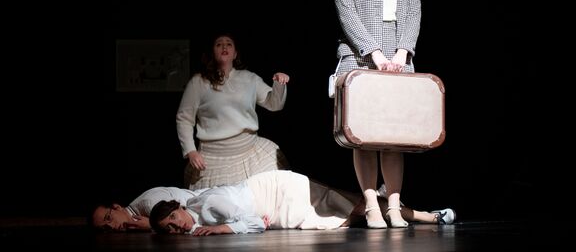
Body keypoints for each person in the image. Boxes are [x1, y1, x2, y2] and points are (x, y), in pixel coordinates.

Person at [333, 0, 423, 228]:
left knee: (393, 137)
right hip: (360, 59)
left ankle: (394, 206)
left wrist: (401, 54)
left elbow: (412, 14)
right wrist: (373, 52)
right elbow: (347, 15)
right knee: (365, 136)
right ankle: (372, 204)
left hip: (398, 62)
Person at [149, 170, 455, 235]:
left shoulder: (210, 206)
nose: (178, 228)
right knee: (351, 208)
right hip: (278, 202)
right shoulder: (196, 213)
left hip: (282, 195)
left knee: (346, 209)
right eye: (171, 229)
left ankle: (427, 215)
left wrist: (222, 229)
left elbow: (255, 223)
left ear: (178, 209)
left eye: (174, 220)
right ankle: (430, 216)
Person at [176, 32, 291, 190]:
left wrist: (279, 84)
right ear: (212, 52)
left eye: (229, 44)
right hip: (214, 160)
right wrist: (191, 151)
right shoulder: (198, 82)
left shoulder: (249, 78)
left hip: (250, 153)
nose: (224, 46)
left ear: (235, 53)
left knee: (268, 197)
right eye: (219, 44)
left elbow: (274, 104)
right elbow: (184, 118)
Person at [90, 186, 209, 232]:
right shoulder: (133, 226)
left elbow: (185, 224)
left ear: (117, 207)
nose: (110, 226)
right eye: (105, 227)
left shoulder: (149, 204)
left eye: (108, 218)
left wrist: (153, 226)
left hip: (212, 203)